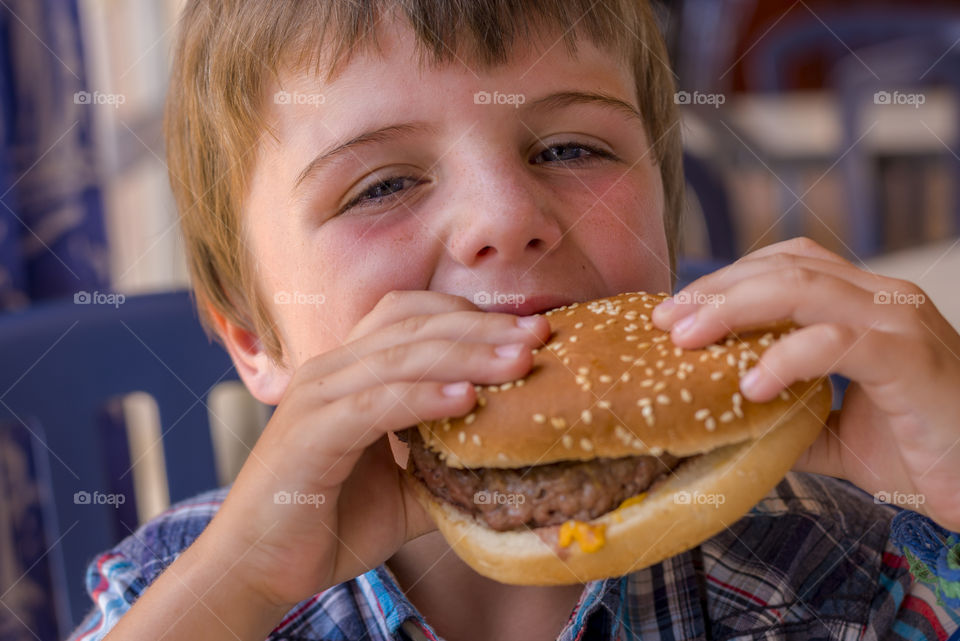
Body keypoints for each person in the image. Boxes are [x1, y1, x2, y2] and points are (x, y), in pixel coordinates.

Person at [70, 1, 960, 639]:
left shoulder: (842, 563)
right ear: (257, 340)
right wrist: (243, 583)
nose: (504, 216)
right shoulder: (186, 584)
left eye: (571, 147)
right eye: (381, 184)